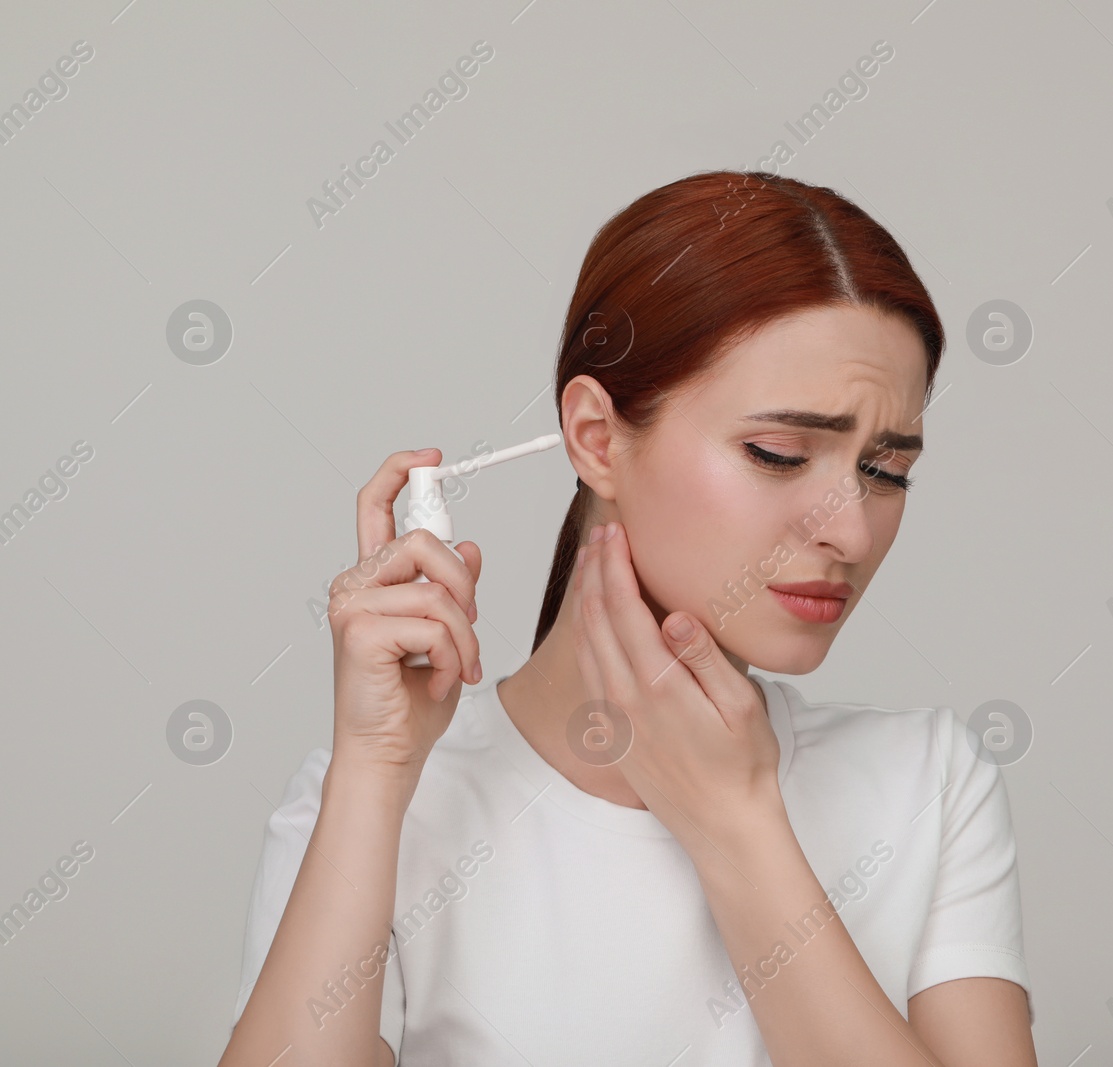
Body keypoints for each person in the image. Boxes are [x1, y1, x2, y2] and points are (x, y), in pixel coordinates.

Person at [219, 170, 1036, 1066]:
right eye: (780, 453)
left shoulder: (929, 784)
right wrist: (375, 769)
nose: (848, 528)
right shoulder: (385, 805)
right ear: (597, 438)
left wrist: (737, 823)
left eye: (886, 472)